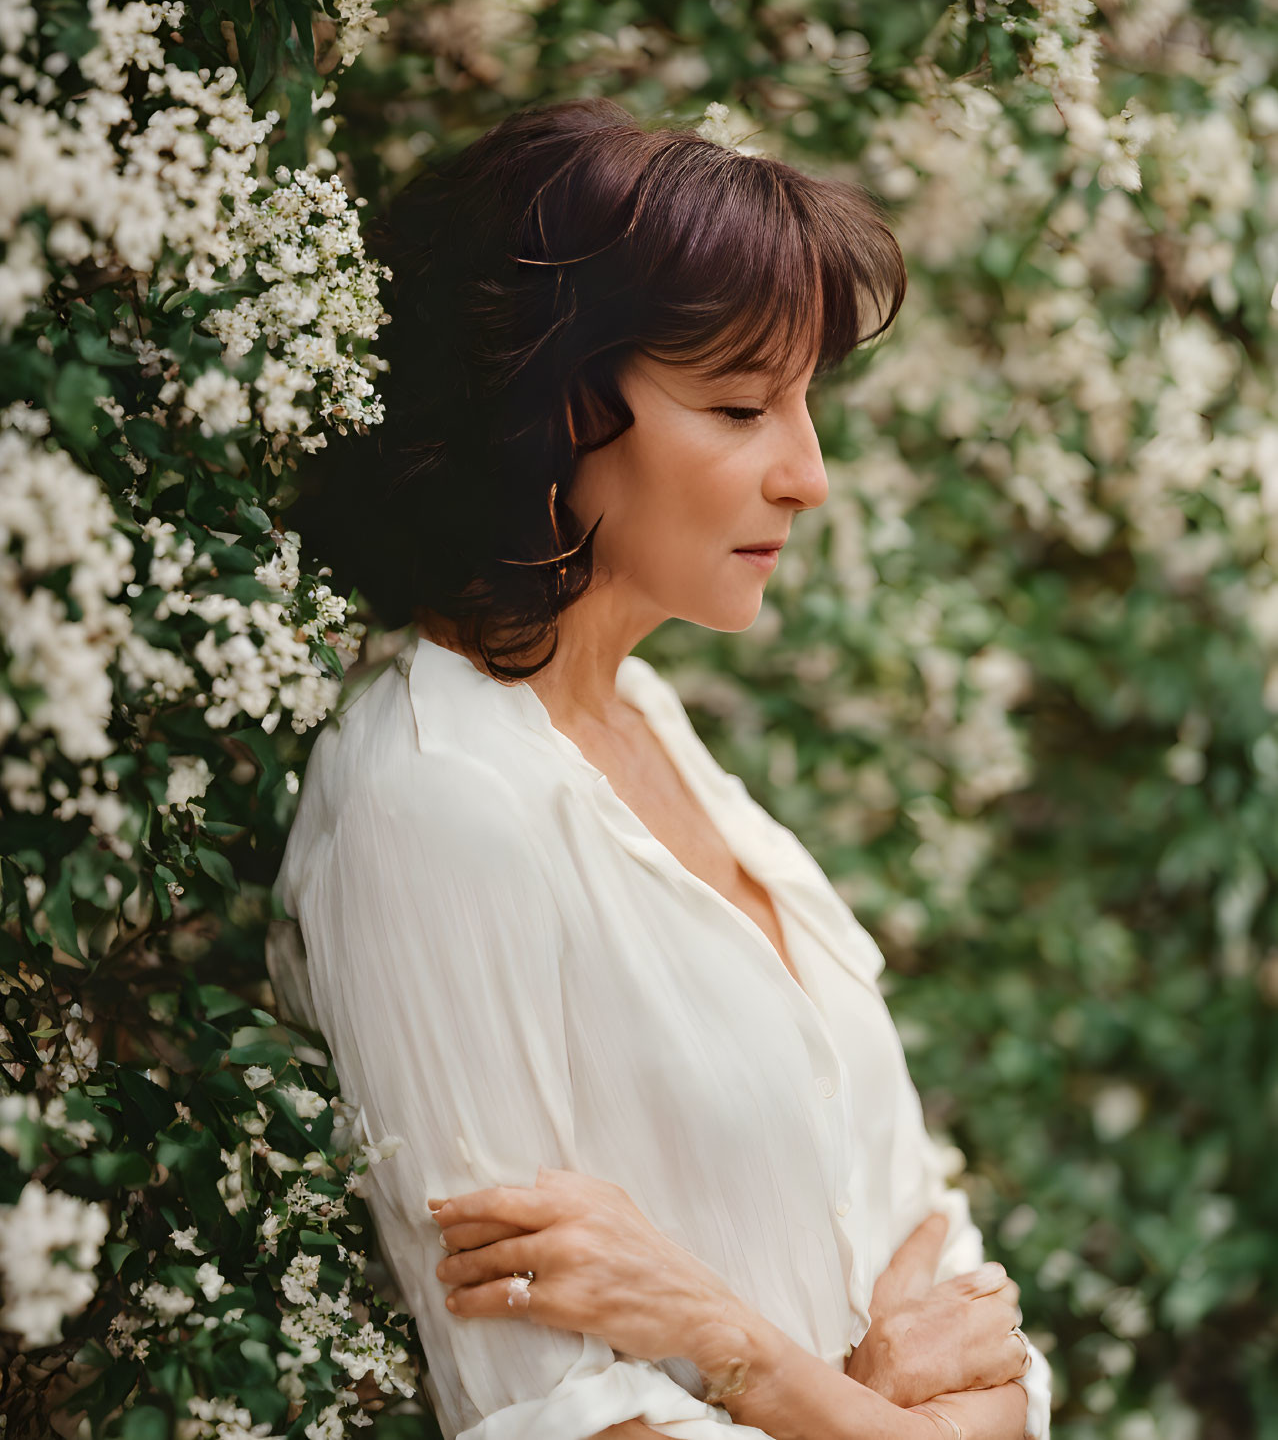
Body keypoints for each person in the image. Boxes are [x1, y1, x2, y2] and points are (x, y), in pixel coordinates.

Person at [270, 98, 1053, 1440]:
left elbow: (967, 1313)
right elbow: (557, 1421)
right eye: (740, 405)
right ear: (557, 414)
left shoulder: (648, 725)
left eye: (801, 404)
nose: (806, 475)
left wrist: (738, 1350)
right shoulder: (436, 802)